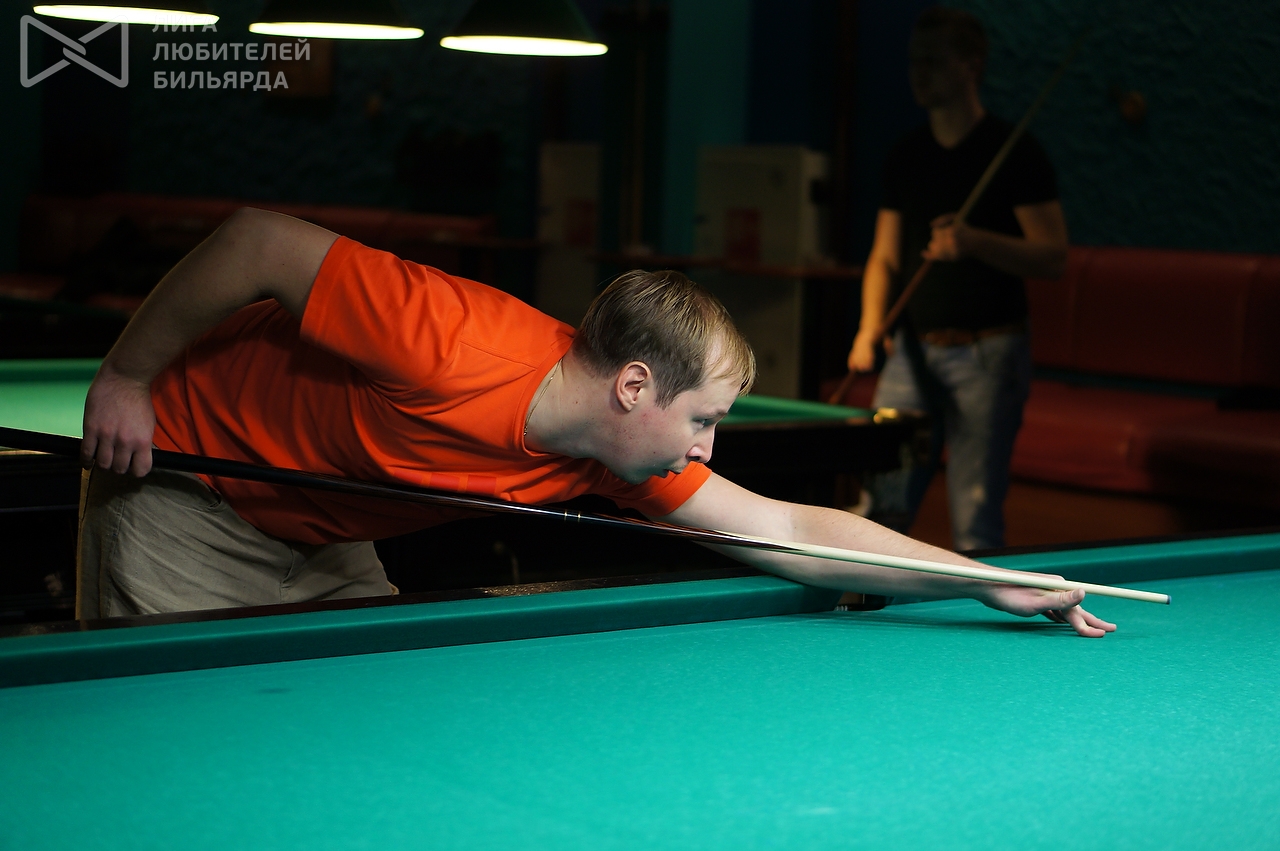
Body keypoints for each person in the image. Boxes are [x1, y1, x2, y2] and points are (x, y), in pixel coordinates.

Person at [78, 206, 1111, 636]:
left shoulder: (615, 455)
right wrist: (127, 374)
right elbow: (257, 241)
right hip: (192, 491)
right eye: (702, 418)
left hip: (326, 533)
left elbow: (792, 527)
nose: (706, 447)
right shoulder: (448, 338)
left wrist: (978, 577)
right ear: (633, 386)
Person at [846, 7, 1068, 551]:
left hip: (989, 353)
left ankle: (983, 605)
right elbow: (884, 257)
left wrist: (974, 242)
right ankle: (869, 603)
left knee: (974, 515)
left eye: (933, 61)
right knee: (881, 505)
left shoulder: (1014, 151)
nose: (918, 73)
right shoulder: (907, 154)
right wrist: (869, 325)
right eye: (913, 61)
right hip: (911, 351)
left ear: (971, 65)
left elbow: (1053, 257)